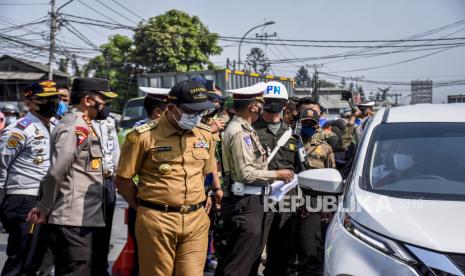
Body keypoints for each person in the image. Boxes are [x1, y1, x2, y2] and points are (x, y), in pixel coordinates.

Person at [114, 80, 217, 276]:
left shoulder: (205, 135)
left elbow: (206, 171)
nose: (196, 117)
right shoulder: (142, 137)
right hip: (157, 220)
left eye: (200, 112)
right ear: (171, 107)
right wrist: (143, 205)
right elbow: (123, 179)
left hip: (196, 220)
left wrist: (208, 195)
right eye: (190, 111)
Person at [28, 78, 118, 275]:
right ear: (88, 100)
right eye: (103, 100)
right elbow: (56, 173)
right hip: (72, 219)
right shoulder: (74, 127)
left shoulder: (86, 124)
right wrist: (43, 208)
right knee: (75, 270)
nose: (106, 105)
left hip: (84, 217)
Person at [214, 82, 294, 276]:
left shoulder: (245, 129)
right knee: (241, 263)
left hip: (257, 200)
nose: (263, 105)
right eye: (260, 101)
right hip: (246, 201)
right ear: (253, 106)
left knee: (238, 258)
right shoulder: (241, 131)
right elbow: (246, 174)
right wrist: (277, 174)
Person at [0, 81, 63, 276]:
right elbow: (1, 167)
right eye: (44, 100)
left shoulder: (55, 126)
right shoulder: (18, 131)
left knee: (39, 259)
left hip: (47, 200)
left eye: (54, 98)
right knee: (21, 258)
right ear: (29, 103)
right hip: (24, 200)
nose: (51, 103)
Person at [253, 81, 299, 276]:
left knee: (281, 249)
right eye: (269, 101)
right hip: (259, 195)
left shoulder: (292, 134)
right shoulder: (251, 130)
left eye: (277, 101)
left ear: (285, 104)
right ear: (262, 102)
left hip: (287, 198)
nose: (272, 105)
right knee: (255, 247)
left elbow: (300, 168)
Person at [292, 108, 336, 276]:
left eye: (312, 123)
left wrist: (327, 207)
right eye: (305, 123)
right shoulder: (289, 143)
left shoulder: (325, 148)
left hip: (314, 205)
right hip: (289, 202)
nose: (308, 126)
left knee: (310, 252)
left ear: (317, 126)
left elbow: (331, 179)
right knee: (287, 251)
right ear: (299, 123)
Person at [92, 110, 120, 276]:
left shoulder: (109, 122)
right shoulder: (79, 122)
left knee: (105, 231)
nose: (105, 105)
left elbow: (115, 152)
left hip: (108, 181)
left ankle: (101, 269)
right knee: (87, 234)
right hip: (87, 182)